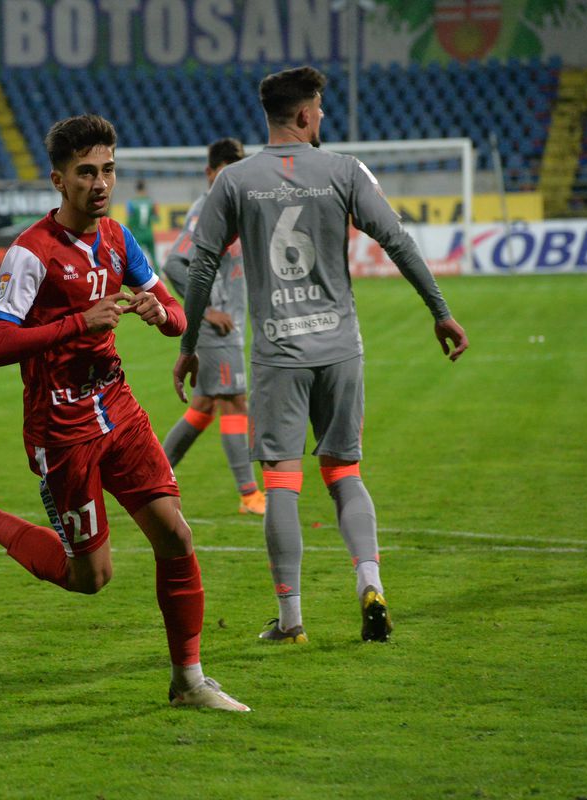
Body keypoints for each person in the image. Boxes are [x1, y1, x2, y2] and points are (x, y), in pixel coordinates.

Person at [0, 114, 249, 712]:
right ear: (58, 180)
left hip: (117, 406)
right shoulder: (30, 253)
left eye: (108, 170)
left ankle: (189, 681)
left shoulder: (118, 238)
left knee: (175, 535)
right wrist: (77, 322)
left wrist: (163, 316)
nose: (100, 183)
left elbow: (175, 310)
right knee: (90, 577)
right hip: (61, 425)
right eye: (85, 173)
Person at [171, 66, 468, 644]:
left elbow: (201, 263)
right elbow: (397, 241)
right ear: (305, 115)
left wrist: (188, 345)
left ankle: (291, 621)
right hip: (341, 349)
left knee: (282, 481)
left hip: (279, 354)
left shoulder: (233, 181)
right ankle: (369, 581)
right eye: (320, 110)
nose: (322, 118)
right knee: (345, 472)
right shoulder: (344, 170)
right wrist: (440, 309)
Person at [161, 138, 266, 517]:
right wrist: (206, 311)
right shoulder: (208, 208)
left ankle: (153, 476)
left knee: (203, 406)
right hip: (216, 326)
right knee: (235, 400)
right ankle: (250, 494)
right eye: (224, 171)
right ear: (209, 174)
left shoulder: (233, 207)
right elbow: (175, 264)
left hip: (229, 323)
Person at [125, 179, 159, 268]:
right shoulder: (151, 202)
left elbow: (129, 221)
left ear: (136, 189)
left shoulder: (131, 203)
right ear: (145, 188)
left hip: (137, 234)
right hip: (149, 233)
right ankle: (158, 276)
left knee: (135, 257)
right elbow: (156, 219)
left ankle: (137, 278)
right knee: (154, 257)